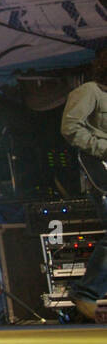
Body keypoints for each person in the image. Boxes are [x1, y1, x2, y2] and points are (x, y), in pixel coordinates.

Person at [60, 48, 107, 322]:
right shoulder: (91, 91)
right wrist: (103, 148)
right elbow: (70, 127)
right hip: (101, 171)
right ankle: (85, 292)